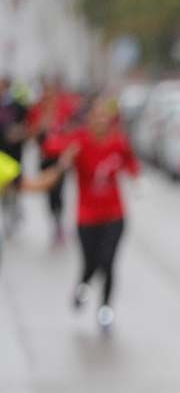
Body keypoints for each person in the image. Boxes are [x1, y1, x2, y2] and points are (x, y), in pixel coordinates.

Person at [23, 97, 140, 333]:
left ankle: (105, 309)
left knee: (108, 261)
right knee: (91, 262)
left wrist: (136, 178)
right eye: (96, 116)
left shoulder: (118, 141)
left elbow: (131, 163)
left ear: (109, 119)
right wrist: (62, 155)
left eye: (104, 116)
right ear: (89, 119)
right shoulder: (79, 140)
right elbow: (49, 147)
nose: (100, 120)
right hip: (87, 216)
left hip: (114, 214)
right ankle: (83, 285)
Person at [27, 77, 81, 246]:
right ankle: (54, 222)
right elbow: (33, 135)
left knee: (60, 191)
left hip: (60, 158)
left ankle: (60, 223)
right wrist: (41, 126)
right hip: (45, 158)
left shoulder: (63, 110)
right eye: (46, 94)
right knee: (49, 193)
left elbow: (72, 129)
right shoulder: (36, 111)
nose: (49, 98)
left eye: (52, 94)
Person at [0, 77, 29, 235]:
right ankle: (7, 215)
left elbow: (27, 126)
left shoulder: (18, 105)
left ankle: (15, 211)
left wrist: (18, 133)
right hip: (1, 153)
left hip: (14, 153)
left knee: (15, 185)